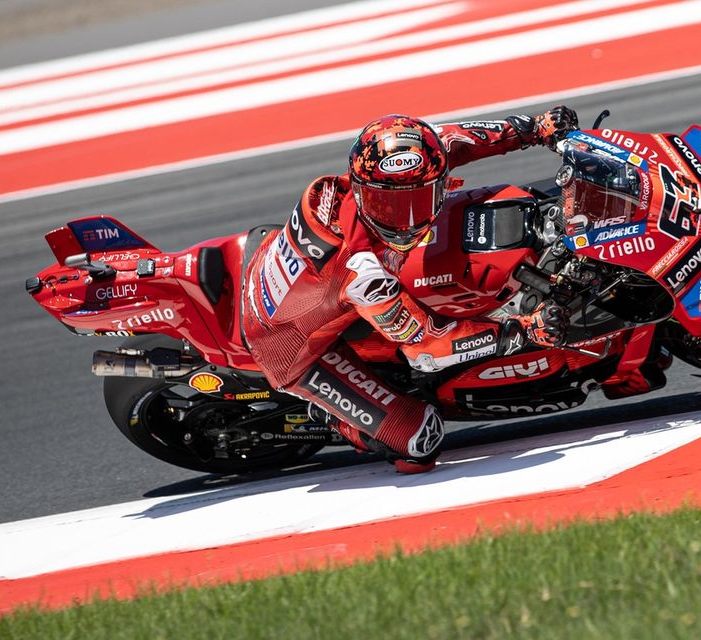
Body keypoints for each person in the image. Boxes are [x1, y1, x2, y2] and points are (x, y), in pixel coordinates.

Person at [242, 107, 578, 473]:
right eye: (389, 205)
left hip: (298, 285)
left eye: (421, 198)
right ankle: (327, 415)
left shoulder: (377, 169)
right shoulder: (363, 272)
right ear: (363, 191)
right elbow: (429, 348)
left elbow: (457, 140)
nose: (408, 219)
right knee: (420, 442)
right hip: (289, 346)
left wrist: (534, 129)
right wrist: (523, 330)